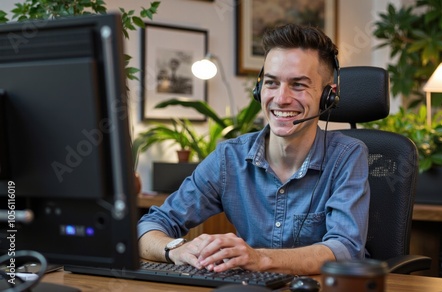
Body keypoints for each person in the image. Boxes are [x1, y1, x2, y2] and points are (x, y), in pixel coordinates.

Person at [138, 23, 370, 276]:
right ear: (259, 89)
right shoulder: (229, 157)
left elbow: (345, 248)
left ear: (328, 95)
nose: (281, 98)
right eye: (271, 83)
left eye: (299, 85)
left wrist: (259, 258)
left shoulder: (347, 156)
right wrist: (176, 249)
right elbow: (149, 226)